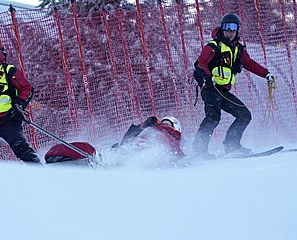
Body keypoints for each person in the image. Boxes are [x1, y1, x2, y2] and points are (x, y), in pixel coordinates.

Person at [192, 13, 277, 159]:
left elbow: (249, 64)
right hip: (211, 88)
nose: (229, 31)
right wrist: (207, 76)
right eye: (226, 27)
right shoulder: (214, 46)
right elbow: (201, 62)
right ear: (222, 28)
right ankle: (198, 151)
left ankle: (232, 145)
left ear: (237, 30)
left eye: (233, 28)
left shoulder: (238, 49)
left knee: (244, 115)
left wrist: (266, 74)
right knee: (213, 117)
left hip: (223, 91)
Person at [0, 34, 41, 163]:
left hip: (7, 120)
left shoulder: (8, 71)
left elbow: (27, 89)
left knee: (21, 149)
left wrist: (19, 105)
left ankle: (41, 174)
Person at [44, 116, 184, 167]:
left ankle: (95, 161)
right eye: (163, 122)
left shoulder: (171, 142)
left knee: (106, 155)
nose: (164, 125)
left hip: (125, 156)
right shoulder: (151, 131)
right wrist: (143, 125)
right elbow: (127, 140)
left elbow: (178, 159)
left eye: (168, 123)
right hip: (122, 151)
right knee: (99, 151)